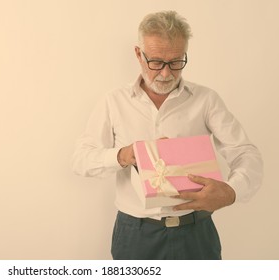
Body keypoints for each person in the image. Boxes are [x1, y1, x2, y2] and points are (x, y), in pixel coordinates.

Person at [71, 11, 264, 260]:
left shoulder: (206, 100)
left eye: (176, 62)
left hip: (196, 233)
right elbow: (81, 160)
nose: (165, 73)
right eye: (156, 62)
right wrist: (125, 155)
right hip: (135, 235)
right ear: (138, 54)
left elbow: (245, 152)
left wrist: (231, 191)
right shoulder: (113, 101)